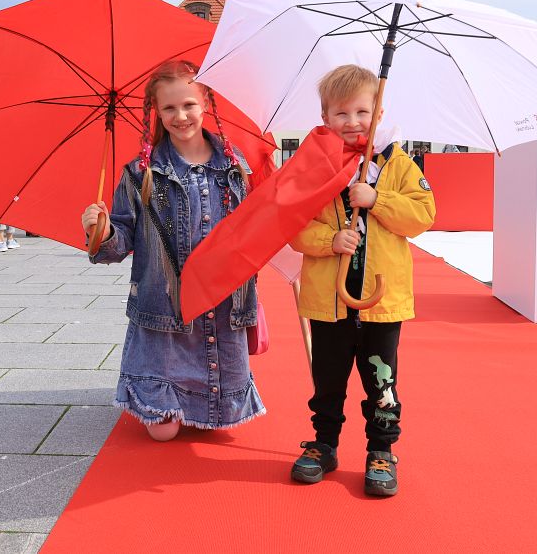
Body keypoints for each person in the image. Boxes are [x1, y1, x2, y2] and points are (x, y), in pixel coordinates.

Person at [81, 60, 264, 441]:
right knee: (162, 433)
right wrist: (100, 231)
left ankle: (208, 398)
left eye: (189, 105)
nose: (180, 116)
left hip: (220, 305)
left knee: (219, 425)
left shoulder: (236, 169)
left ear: (206, 104)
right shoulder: (140, 173)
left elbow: (254, 234)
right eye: (169, 108)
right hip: (164, 312)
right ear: (156, 112)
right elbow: (118, 246)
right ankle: (161, 394)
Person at [288, 65, 436, 497]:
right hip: (327, 300)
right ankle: (324, 444)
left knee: (381, 381)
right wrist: (329, 239)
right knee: (328, 380)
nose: (353, 122)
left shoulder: (400, 164)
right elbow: (294, 224)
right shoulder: (314, 166)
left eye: (361, 112)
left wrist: (378, 198)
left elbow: (423, 215)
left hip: (381, 303)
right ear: (324, 117)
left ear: (379, 111)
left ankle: (382, 450)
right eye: (341, 114)